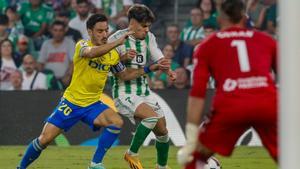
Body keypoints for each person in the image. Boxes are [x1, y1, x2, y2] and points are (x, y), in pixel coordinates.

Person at [17, 13, 170, 169]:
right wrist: (117, 42)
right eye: (99, 31)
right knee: (44, 139)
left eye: (106, 30)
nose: (104, 34)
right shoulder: (82, 45)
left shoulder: (112, 54)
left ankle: (95, 163)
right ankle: (20, 167)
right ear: (90, 31)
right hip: (71, 102)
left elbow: (124, 75)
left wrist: (150, 68)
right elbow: (92, 53)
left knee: (116, 122)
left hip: (92, 104)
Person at [177, 0, 278, 168]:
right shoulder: (266, 40)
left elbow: (197, 93)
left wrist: (192, 135)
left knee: (194, 159)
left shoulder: (207, 45)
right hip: (266, 102)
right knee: (290, 156)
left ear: (220, 18)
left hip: (231, 106)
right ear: (244, 17)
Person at [108, 4, 176, 169]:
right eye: (144, 26)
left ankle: (162, 167)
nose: (147, 30)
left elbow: (158, 57)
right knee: (151, 117)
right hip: (124, 92)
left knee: (163, 133)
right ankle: (131, 153)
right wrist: (124, 59)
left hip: (145, 91)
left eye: (148, 26)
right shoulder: (116, 39)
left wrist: (169, 71)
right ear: (133, 23)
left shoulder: (149, 37)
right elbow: (119, 73)